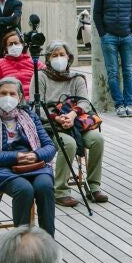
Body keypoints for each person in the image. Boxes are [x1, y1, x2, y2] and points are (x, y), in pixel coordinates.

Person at [0, 77, 57, 235]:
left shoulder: (30, 116)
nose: (8, 97)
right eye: (3, 93)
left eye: (12, 94)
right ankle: (22, 241)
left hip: (34, 165)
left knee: (45, 187)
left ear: (20, 97)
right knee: (24, 189)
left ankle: (48, 240)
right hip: (2, 168)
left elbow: (50, 146)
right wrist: (15, 156)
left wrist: (36, 155)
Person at [36, 40, 108, 207]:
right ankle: (60, 190)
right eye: (54, 55)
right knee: (68, 143)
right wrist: (57, 118)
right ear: (48, 58)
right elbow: (36, 106)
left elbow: (84, 102)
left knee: (98, 139)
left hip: (76, 122)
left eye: (62, 54)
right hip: (51, 124)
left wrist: (72, 114)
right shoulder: (40, 77)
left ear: (68, 57)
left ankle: (93, 186)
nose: (59, 58)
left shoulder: (76, 78)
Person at [92, 0, 132, 117]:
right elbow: (96, 13)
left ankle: (129, 104)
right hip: (109, 38)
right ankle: (119, 105)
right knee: (113, 73)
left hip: (127, 38)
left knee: (128, 72)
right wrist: (103, 34)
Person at [0, 30, 36, 99]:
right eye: (10, 44)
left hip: (33, 100)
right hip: (10, 100)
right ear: (6, 48)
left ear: (22, 45)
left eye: (16, 43)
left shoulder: (34, 62)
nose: (14, 46)